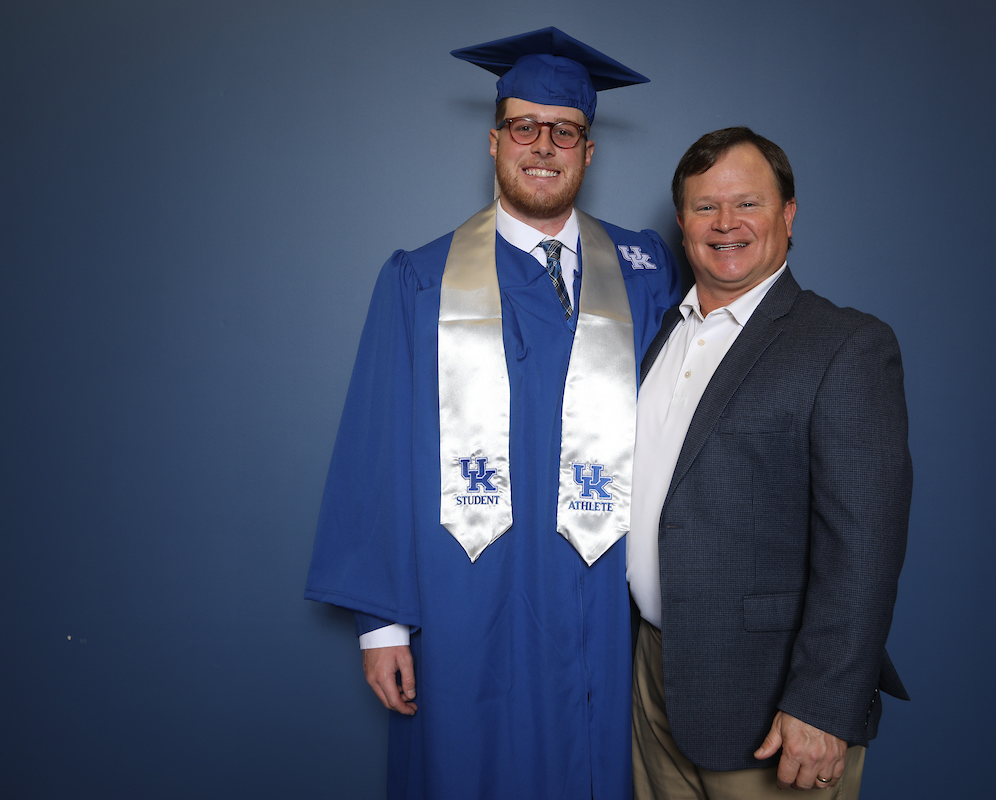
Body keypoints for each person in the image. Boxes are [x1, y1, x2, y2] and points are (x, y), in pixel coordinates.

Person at [306, 27, 680, 800]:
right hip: (465, 596)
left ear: (588, 151)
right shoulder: (421, 280)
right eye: (524, 127)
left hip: (604, 597)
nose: (543, 145)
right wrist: (382, 625)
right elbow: (376, 451)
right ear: (494, 141)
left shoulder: (643, 272)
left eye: (565, 131)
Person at [628, 127, 912, 799]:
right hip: (653, 680)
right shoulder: (663, 335)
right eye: (705, 207)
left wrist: (824, 704)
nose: (726, 223)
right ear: (682, 222)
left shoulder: (845, 346)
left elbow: (865, 546)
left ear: (788, 214)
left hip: (773, 704)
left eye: (747, 203)